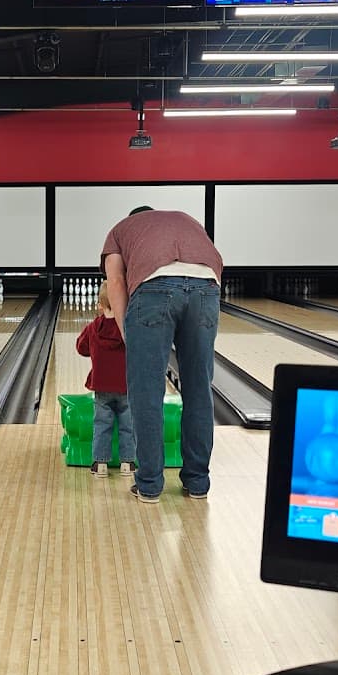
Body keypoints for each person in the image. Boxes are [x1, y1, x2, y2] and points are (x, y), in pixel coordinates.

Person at [101, 207, 223, 502]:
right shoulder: (186, 219)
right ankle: (197, 483)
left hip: (154, 289)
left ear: (133, 219)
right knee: (198, 390)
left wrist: (127, 331)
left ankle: (149, 484)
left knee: (147, 393)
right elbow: (214, 265)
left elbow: (116, 282)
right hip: (207, 288)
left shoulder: (119, 230)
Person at [76, 280, 136, 478]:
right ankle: (127, 463)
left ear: (100, 305)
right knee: (128, 425)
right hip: (126, 387)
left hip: (101, 387)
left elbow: (81, 348)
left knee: (102, 424)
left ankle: (100, 464)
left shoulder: (93, 328)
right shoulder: (128, 327)